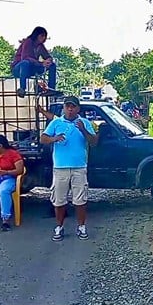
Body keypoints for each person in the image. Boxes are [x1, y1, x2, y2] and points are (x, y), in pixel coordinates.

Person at [41, 96, 98, 241]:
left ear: (78, 108)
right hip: (61, 167)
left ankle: (81, 226)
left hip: (79, 167)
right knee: (59, 200)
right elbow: (43, 138)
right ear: (64, 108)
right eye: (68, 107)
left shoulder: (85, 122)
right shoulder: (56, 122)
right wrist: (54, 139)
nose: (70, 109)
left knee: (80, 200)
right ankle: (59, 227)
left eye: (73, 107)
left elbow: (94, 142)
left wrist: (84, 130)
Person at [11, 26, 57, 98]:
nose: (44, 38)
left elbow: (47, 56)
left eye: (45, 36)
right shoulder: (28, 42)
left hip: (32, 67)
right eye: (42, 36)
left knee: (52, 65)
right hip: (19, 69)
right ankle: (22, 88)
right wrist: (41, 63)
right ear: (37, 35)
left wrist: (49, 61)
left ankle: (51, 88)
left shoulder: (40, 46)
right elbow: (26, 58)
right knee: (25, 63)